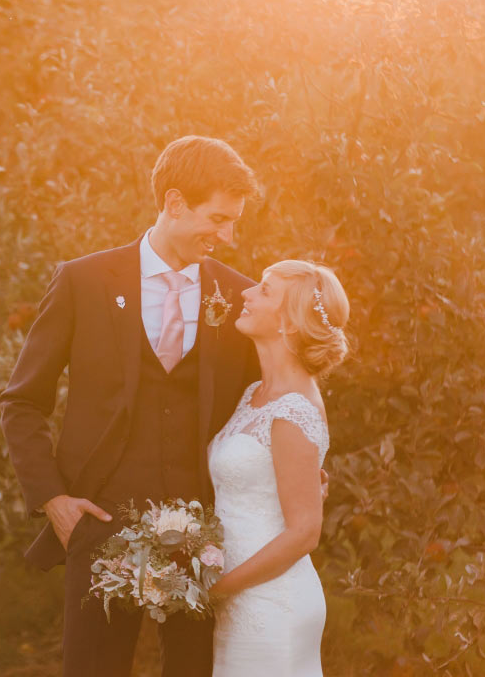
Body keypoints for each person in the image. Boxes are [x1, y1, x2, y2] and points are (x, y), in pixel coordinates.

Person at [0, 134, 262, 677]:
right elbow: (22, 401)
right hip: (97, 525)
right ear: (173, 203)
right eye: (218, 218)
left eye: (234, 222)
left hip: (204, 538)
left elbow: (264, 405)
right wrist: (53, 500)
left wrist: (307, 464)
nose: (227, 236)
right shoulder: (84, 281)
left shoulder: (239, 296)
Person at [207, 260, 350, 676]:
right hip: (243, 598)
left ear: (288, 321)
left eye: (264, 290)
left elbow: (305, 531)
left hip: (270, 604)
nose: (246, 294)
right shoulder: (256, 392)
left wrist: (218, 590)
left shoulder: (292, 408)